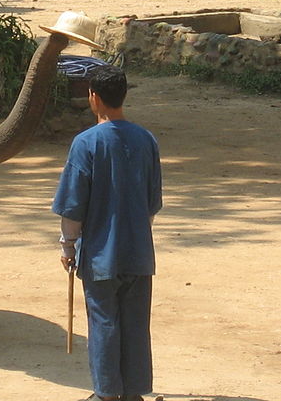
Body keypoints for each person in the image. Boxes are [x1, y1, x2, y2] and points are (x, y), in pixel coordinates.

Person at [52, 65, 163, 401]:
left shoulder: (85, 144)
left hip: (100, 255)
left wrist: (68, 246)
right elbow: (151, 204)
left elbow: (73, 206)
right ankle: (133, 393)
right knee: (134, 325)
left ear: (93, 97)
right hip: (139, 253)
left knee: (104, 323)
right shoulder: (146, 140)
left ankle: (105, 393)